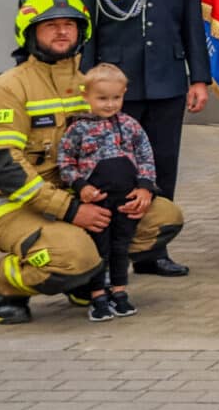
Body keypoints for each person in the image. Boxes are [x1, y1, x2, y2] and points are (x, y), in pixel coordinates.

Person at [0, 0, 186, 325]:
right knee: (74, 256)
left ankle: (89, 280)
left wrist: (143, 187)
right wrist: (72, 210)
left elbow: (122, 145)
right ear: (29, 32)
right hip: (12, 203)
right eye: (50, 25)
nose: (62, 31)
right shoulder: (8, 89)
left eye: (69, 25)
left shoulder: (86, 86)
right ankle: (5, 282)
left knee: (163, 217)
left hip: (78, 194)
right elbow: (5, 169)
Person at [84, 0, 206, 277]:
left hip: (168, 81)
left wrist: (200, 79)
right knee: (115, 168)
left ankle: (153, 251)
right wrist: (84, 84)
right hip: (114, 88)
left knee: (162, 165)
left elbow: (191, 24)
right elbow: (87, 27)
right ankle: (110, 250)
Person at [54, 64, 159, 320]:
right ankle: (97, 296)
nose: (110, 104)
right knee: (99, 248)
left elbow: (146, 157)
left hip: (125, 201)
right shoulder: (77, 129)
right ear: (86, 96)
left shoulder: (130, 125)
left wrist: (145, 187)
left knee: (120, 246)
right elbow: (65, 162)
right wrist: (81, 187)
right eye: (102, 98)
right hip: (96, 202)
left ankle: (120, 292)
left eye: (116, 97)